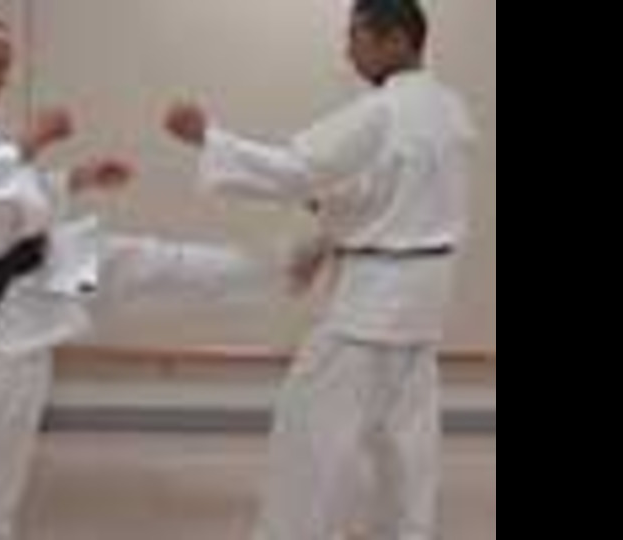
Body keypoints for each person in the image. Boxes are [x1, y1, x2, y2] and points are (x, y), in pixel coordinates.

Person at [0, 11, 267, 540]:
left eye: (6, 67)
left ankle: (273, 268)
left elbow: (8, 197)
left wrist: (75, 179)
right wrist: (31, 139)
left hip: (34, 272)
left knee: (144, 262)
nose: (3, 79)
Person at [164, 1, 476, 538]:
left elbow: (297, 169)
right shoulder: (451, 110)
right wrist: (326, 230)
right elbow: (383, 196)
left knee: (312, 437)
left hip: (370, 309)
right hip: (423, 306)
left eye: (358, 37)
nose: (348, 52)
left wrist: (208, 138)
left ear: (397, 39)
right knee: (405, 447)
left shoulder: (383, 111)